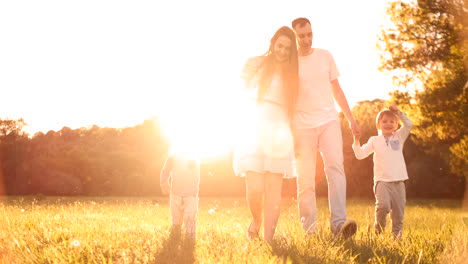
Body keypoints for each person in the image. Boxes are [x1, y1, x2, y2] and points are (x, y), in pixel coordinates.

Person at [291, 17, 360, 238]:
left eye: (309, 34)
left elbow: (337, 89)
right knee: (305, 178)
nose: (307, 39)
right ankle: (309, 230)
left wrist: (351, 119)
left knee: (336, 170)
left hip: (329, 121)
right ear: (294, 36)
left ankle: (339, 224)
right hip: (302, 126)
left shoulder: (325, 56)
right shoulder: (289, 63)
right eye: (301, 35)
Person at [233, 26, 299, 243]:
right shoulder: (255, 63)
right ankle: (257, 220)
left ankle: (269, 239)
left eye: (287, 48)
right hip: (253, 126)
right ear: (273, 44)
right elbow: (239, 89)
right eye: (279, 46)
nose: (282, 51)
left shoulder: (293, 74)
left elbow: (293, 110)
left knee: (273, 191)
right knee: (255, 187)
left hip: (279, 130)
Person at [352, 105, 413, 239]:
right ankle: (378, 232)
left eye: (392, 121)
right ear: (378, 124)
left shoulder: (399, 137)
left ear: (396, 124)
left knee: (398, 213)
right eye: (384, 121)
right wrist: (356, 142)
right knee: (383, 206)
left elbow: (409, 124)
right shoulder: (374, 140)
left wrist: (398, 112)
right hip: (382, 182)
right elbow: (360, 154)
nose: (388, 124)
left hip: (398, 182)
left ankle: (396, 237)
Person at [160, 150, 200, 243]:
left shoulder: (195, 155)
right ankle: (175, 238)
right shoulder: (173, 157)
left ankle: (189, 242)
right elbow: (165, 171)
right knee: (176, 220)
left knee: (190, 220)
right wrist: (163, 182)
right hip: (175, 195)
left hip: (191, 196)